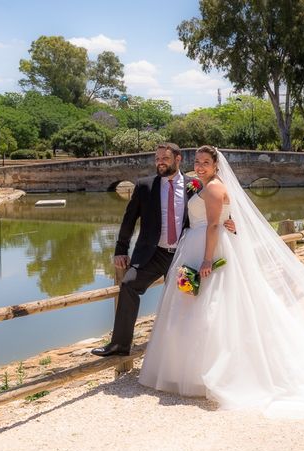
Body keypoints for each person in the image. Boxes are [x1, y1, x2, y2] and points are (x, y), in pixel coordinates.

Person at [139, 146, 304, 420]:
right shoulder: (208, 185)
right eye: (197, 162)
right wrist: (230, 224)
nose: (199, 166)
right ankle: (194, 370)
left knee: (211, 308)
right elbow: (225, 218)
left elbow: (214, 225)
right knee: (205, 307)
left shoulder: (213, 188)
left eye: (205, 162)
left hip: (206, 248)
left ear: (216, 165)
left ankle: (210, 373)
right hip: (200, 244)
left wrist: (206, 260)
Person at [92, 143, 235, 357]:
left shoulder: (195, 185)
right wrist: (121, 249)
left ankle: (184, 353)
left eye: (164, 158)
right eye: (157, 158)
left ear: (177, 159)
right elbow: (129, 220)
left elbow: (214, 210)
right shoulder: (144, 186)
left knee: (187, 300)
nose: (160, 162)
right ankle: (120, 345)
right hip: (153, 254)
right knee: (129, 285)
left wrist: (230, 221)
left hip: (183, 254)